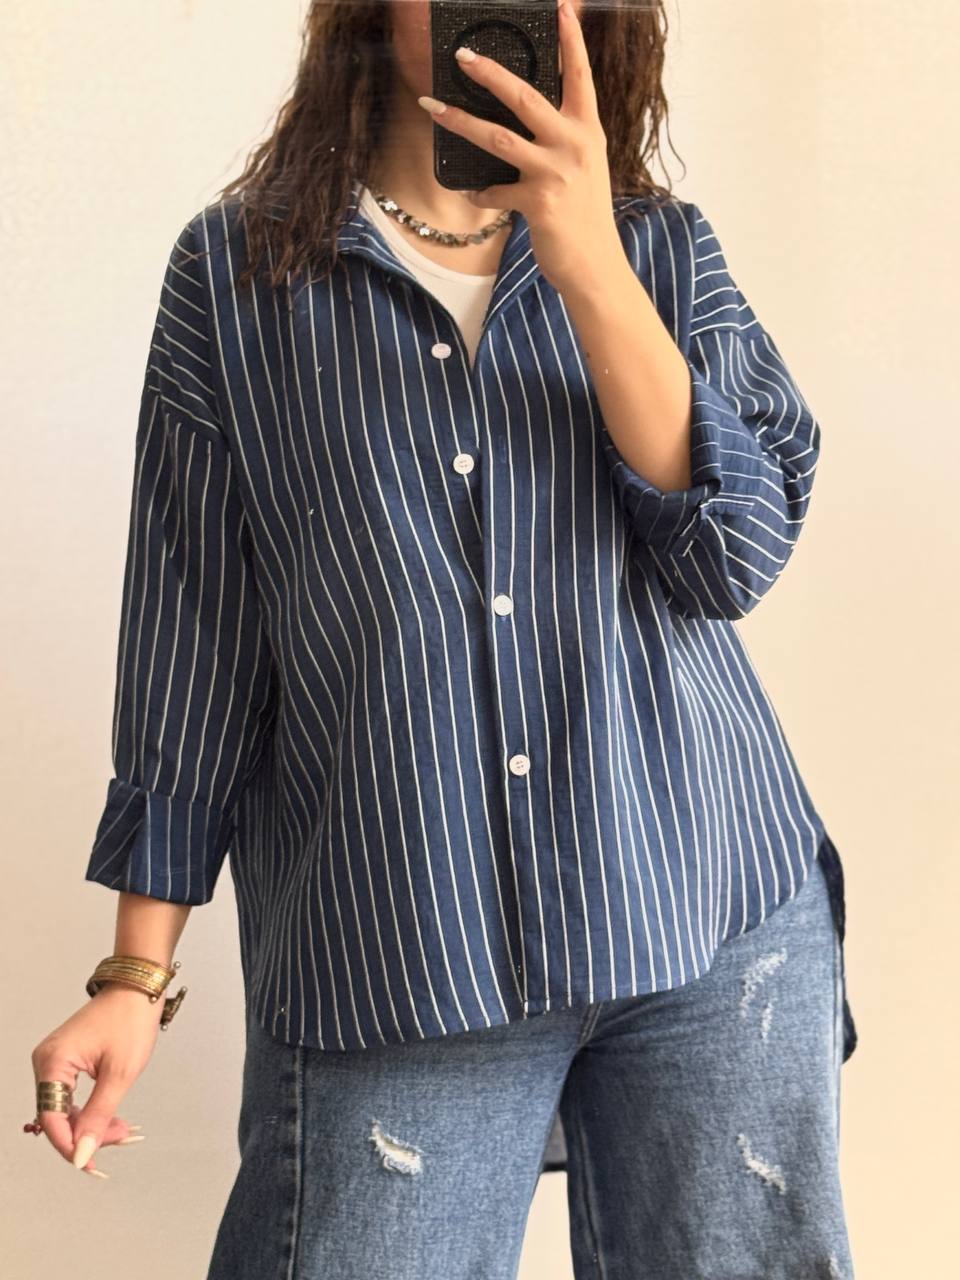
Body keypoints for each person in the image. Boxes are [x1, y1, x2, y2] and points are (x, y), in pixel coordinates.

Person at [28, 1, 858, 1275]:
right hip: (404, 939)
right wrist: (133, 976)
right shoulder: (238, 278)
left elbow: (736, 551)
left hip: (708, 906)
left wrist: (589, 265)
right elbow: (193, 638)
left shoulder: (658, 248)